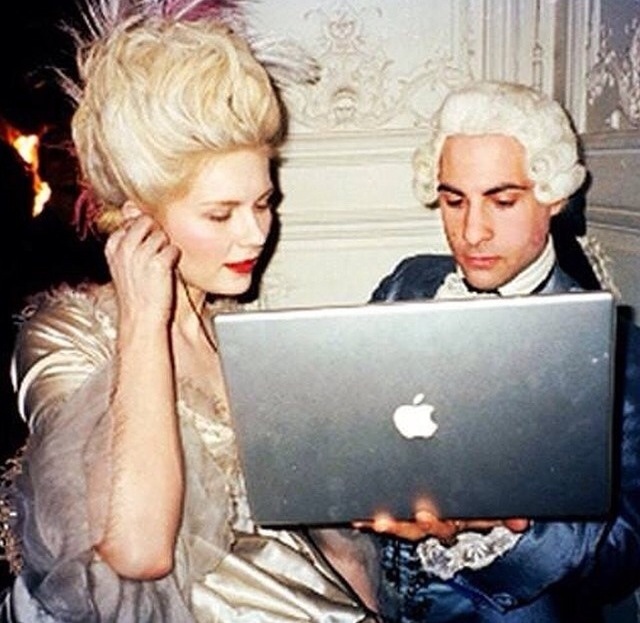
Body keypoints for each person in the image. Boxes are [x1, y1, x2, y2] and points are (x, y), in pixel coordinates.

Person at [0, 2, 379, 620]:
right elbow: (139, 551)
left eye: (264, 203)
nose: (256, 234)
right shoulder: (68, 335)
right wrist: (144, 325)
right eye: (220, 214)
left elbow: (320, 538)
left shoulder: (241, 336)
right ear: (137, 217)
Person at [366, 81, 640, 622]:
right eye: (454, 200)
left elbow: (627, 545)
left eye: (503, 200)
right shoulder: (407, 284)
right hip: (375, 586)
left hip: (506, 606)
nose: (472, 231)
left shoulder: (614, 349)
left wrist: (514, 528)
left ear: (554, 196)